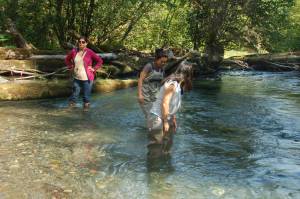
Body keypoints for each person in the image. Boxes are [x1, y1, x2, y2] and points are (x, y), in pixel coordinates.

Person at [147, 61, 193, 158]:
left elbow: (173, 103)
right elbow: (165, 103)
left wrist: (173, 118)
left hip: (168, 116)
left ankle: (164, 168)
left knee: (167, 145)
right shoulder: (172, 84)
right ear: (188, 73)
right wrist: (165, 121)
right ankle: (153, 170)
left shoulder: (180, 85)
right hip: (158, 116)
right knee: (156, 147)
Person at [65, 36, 103, 110]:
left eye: (83, 42)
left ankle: (85, 117)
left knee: (86, 98)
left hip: (87, 79)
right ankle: (69, 113)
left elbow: (100, 61)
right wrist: (70, 66)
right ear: (78, 43)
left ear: (86, 43)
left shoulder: (89, 52)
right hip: (77, 78)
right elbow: (67, 59)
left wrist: (94, 68)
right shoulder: (74, 51)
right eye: (79, 42)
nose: (81, 43)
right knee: (73, 97)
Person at [138, 48, 168, 126]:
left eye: (165, 62)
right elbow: (140, 79)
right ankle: (151, 134)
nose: (163, 63)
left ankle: (152, 131)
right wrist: (140, 95)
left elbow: (161, 83)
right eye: (162, 61)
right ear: (156, 60)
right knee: (150, 116)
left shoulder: (162, 69)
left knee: (156, 116)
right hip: (145, 97)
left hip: (155, 97)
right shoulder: (149, 66)